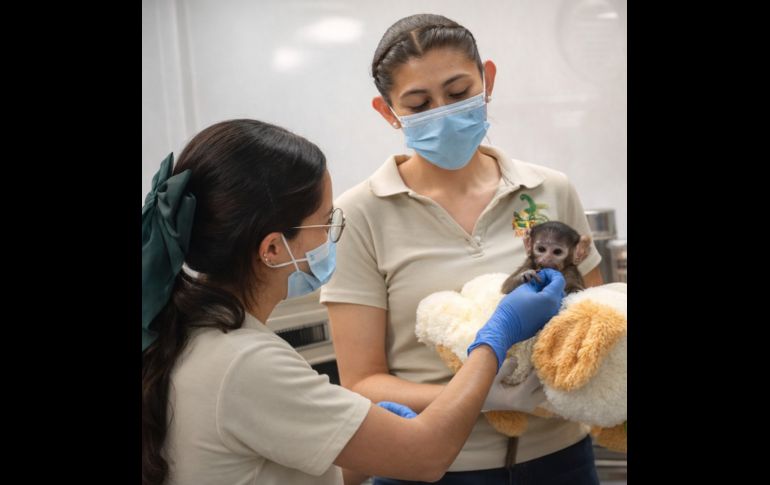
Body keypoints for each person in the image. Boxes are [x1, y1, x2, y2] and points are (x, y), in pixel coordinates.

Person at [141, 118, 566, 485]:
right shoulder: (243, 363)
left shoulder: (191, 334)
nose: (332, 235)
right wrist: (496, 336)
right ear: (272, 249)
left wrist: (367, 445)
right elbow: (426, 456)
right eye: (325, 222)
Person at [320, 13, 604, 485]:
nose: (444, 113)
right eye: (419, 104)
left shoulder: (550, 189)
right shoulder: (359, 214)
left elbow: (598, 322)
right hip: (433, 467)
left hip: (562, 458)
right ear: (388, 112)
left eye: (457, 93)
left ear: (486, 79)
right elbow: (362, 383)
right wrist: (480, 396)